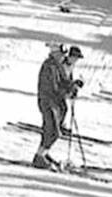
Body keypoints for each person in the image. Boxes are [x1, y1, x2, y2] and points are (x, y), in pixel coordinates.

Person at [32, 42, 80, 170]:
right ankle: (39, 156)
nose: (63, 57)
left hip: (55, 102)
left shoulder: (57, 65)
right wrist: (67, 91)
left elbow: (64, 81)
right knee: (53, 131)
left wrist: (73, 86)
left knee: (51, 130)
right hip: (48, 102)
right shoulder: (49, 66)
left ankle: (43, 153)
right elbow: (53, 87)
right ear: (55, 54)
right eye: (61, 54)